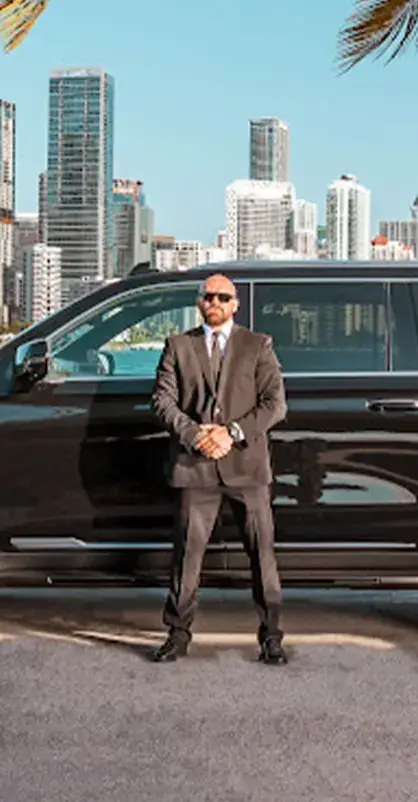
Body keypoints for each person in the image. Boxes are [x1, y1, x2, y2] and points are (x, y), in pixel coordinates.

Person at [148, 273, 289, 665]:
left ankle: (272, 637)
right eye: (208, 296)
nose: (215, 302)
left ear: (235, 303)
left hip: (247, 468)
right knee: (187, 557)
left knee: (262, 556)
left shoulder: (257, 345)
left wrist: (232, 433)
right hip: (195, 468)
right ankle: (177, 636)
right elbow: (163, 401)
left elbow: (275, 403)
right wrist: (194, 435)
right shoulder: (178, 346)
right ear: (198, 302)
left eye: (223, 297)